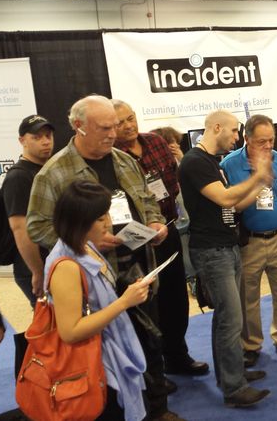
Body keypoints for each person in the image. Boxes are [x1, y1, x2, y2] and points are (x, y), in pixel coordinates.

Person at [27, 95, 180, 421]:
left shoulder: (124, 160)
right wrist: (85, 242)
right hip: (94, 279)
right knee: (107, 352)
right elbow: (36, 227)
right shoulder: (53, 173)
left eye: (115, 126)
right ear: (78, 126)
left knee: (150, 341)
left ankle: (157, 410)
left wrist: (154, 222)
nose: (114, 133)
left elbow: (147, 200)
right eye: (105, 128)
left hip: (138, 265)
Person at [178, 109, 273, 408]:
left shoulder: (211, 162)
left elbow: (235, 206)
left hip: (226, 246)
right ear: (216, 127)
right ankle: (234, 387)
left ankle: (232, 375)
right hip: (212, 251)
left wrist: (260, 183)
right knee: (231, 319)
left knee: (228, 317)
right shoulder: (195, 162)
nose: (237, 137)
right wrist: (257, 176)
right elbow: (225, 198)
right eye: (233, 131)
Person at [112, 99, 208, 377]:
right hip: (133, 241)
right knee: (147, 303)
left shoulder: (155, 142)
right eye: (120, 122)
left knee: (176, 297)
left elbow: (173, 183)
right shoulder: (112, 156)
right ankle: (152, 370)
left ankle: (177, 356)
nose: (128, 125)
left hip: (167, 229)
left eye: (130, 118)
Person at [46, 180, 151, 421]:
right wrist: (124, 303)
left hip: (110, 354)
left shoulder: (86, 246)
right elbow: (70, 331)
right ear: (80, 222)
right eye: (101, 218)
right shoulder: (65, 266)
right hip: (94, 365)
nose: (109, 223)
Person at [220, 114, 277, 365]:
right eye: (262, 141)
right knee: (247, 297)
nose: (268, 146)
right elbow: (227, 207)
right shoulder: (229, 165)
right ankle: (250, 345)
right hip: (249, 243)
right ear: (246, 139)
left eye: (271, 140)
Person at [2, 115, 54, 307]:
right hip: (33, 265)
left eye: (48, 136)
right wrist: (37, 271)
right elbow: (21, 229)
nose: (45, 141)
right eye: (37, 137)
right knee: (49, 320)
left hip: (53, 260)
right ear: (22, 140)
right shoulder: (19, 177)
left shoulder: (49, 168)